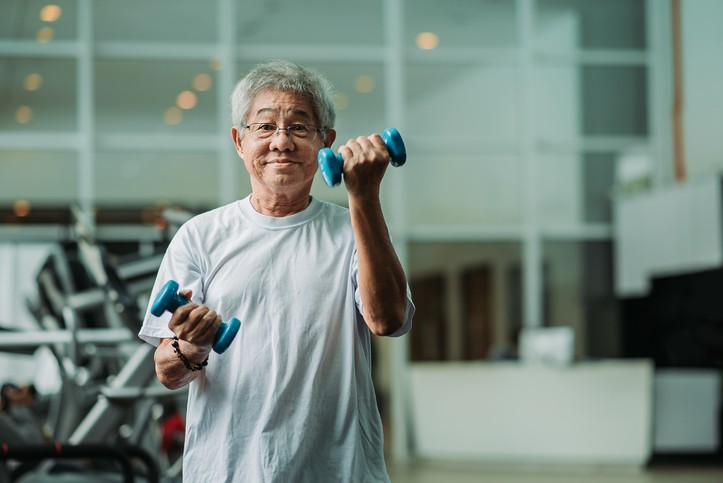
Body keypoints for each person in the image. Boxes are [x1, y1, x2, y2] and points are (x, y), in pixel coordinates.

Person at [138, 59, 414, 482]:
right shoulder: (201, 235)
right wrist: (193, 347)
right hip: (227, 471)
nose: (281, 141)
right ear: (238, 140)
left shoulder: (354, 228)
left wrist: (364, 197)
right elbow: (166, 372)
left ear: (327, 142)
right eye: (265, 127)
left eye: (300, 128)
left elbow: (388, 321)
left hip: (338, 472)